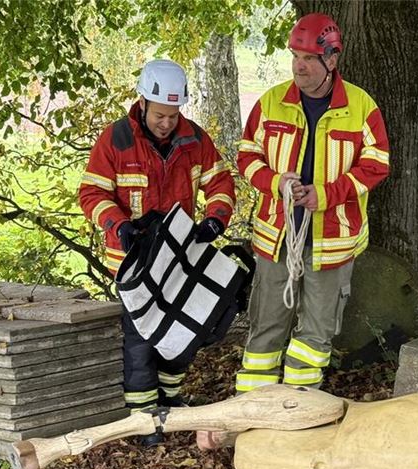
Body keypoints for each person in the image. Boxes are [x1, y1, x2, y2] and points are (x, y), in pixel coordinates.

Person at [78, 59, 236, 438]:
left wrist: (215, 219)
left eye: (173, 114)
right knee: (140, 337)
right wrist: (118, 225)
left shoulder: (195, 140)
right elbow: (92, 193)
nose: (166, 123)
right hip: (133, 260)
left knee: (182, 329)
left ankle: (170, 402)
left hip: (180, 258)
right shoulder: (115, 140)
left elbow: (221, 184)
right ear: (143, 103)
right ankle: (144, 418)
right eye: (160, 115)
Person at [233, 13, 390, 392]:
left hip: (331, 242)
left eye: (307, 59)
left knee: (315, 337)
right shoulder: (271, 102)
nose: (298, 66)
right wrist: (275, 182)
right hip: (277, 238)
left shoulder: (361, 106)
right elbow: (246, 156)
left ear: (331, 61)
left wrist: (328, 194)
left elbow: (377, 165)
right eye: (294, 56)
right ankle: (252, 413)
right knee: (265, 332)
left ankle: (298, 410)